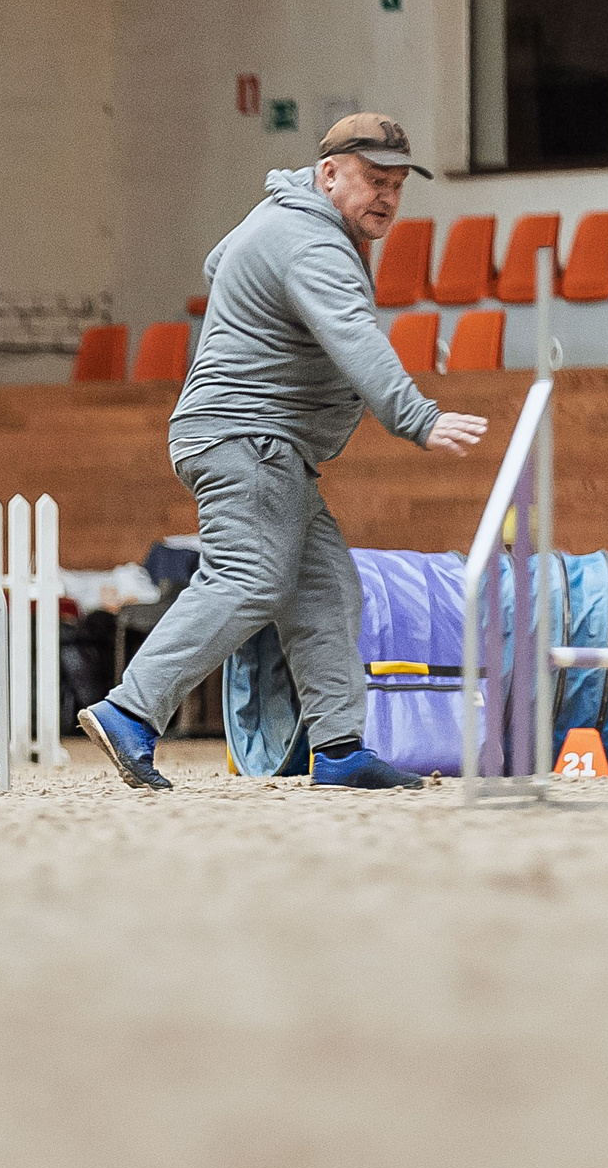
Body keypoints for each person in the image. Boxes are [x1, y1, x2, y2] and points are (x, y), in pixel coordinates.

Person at [76, 113, 488, 792]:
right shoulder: (312, 241)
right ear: (329, 174)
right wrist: (418, 416)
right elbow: (354, 336)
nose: (386, 196)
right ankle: (130, 709)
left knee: (326, 587)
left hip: (266, 445)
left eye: (395, 184)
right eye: (371, 179)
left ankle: (340, 746)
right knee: (248, 577)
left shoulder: (282, 218)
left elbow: (219, 262)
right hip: (248, 439)